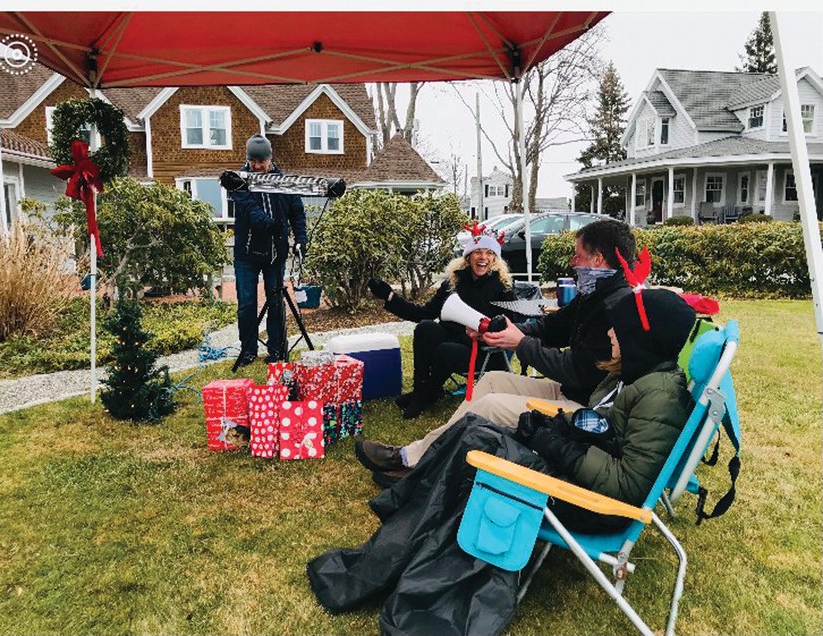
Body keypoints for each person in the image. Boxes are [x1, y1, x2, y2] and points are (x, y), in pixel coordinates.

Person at [308, 288, 697, 635]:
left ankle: (400, 525)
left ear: (640, 336)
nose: (610, 334)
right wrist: (553, 427)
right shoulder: (641, 378)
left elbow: (625, 487)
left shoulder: (656, 397)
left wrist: (551, 441)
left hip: (589, 505)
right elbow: (598, 427)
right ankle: (404, 509)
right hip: (577, 478)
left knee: (475, 440)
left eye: (619, 329)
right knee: (475, 430)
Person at [357, 218, 636, 480]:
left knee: (489, 405)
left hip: (583, 410)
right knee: (490, 381)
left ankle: (416, 462)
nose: (573, 263)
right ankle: (420, 451)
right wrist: (505, 332)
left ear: (597, 259)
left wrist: (520, 343)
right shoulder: (593, 296)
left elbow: (577, 371)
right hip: (567, 391)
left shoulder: (616, 307)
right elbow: (550, 327)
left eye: (577, 256)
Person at [367, 221, 515, 419]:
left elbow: (509, 324)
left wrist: (487, 332)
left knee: (446, 350)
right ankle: (423, 390)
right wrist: (390, 297)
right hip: (453, 342)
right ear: (469, 256)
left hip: (484, 351)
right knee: (425, 328)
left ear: (494, 259)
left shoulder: (502, 287)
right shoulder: (454, 282)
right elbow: (423, 313)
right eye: (478, 252)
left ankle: (425, 394)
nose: (483, 257)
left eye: (489, 253)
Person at [225, 134, 306, 364]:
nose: (258, 167)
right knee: (247, 303)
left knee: (276, 302)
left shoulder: (284, 183)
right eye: (254, 162)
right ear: (248, 159)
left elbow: (297, 213)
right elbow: (249, 209)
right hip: (246, 254)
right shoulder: (238, 181)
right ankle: (248, 350)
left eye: (262, 162)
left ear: (270, 159)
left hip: (275, 254)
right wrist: (269, 224)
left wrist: (300, 239)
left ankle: (277, 349)